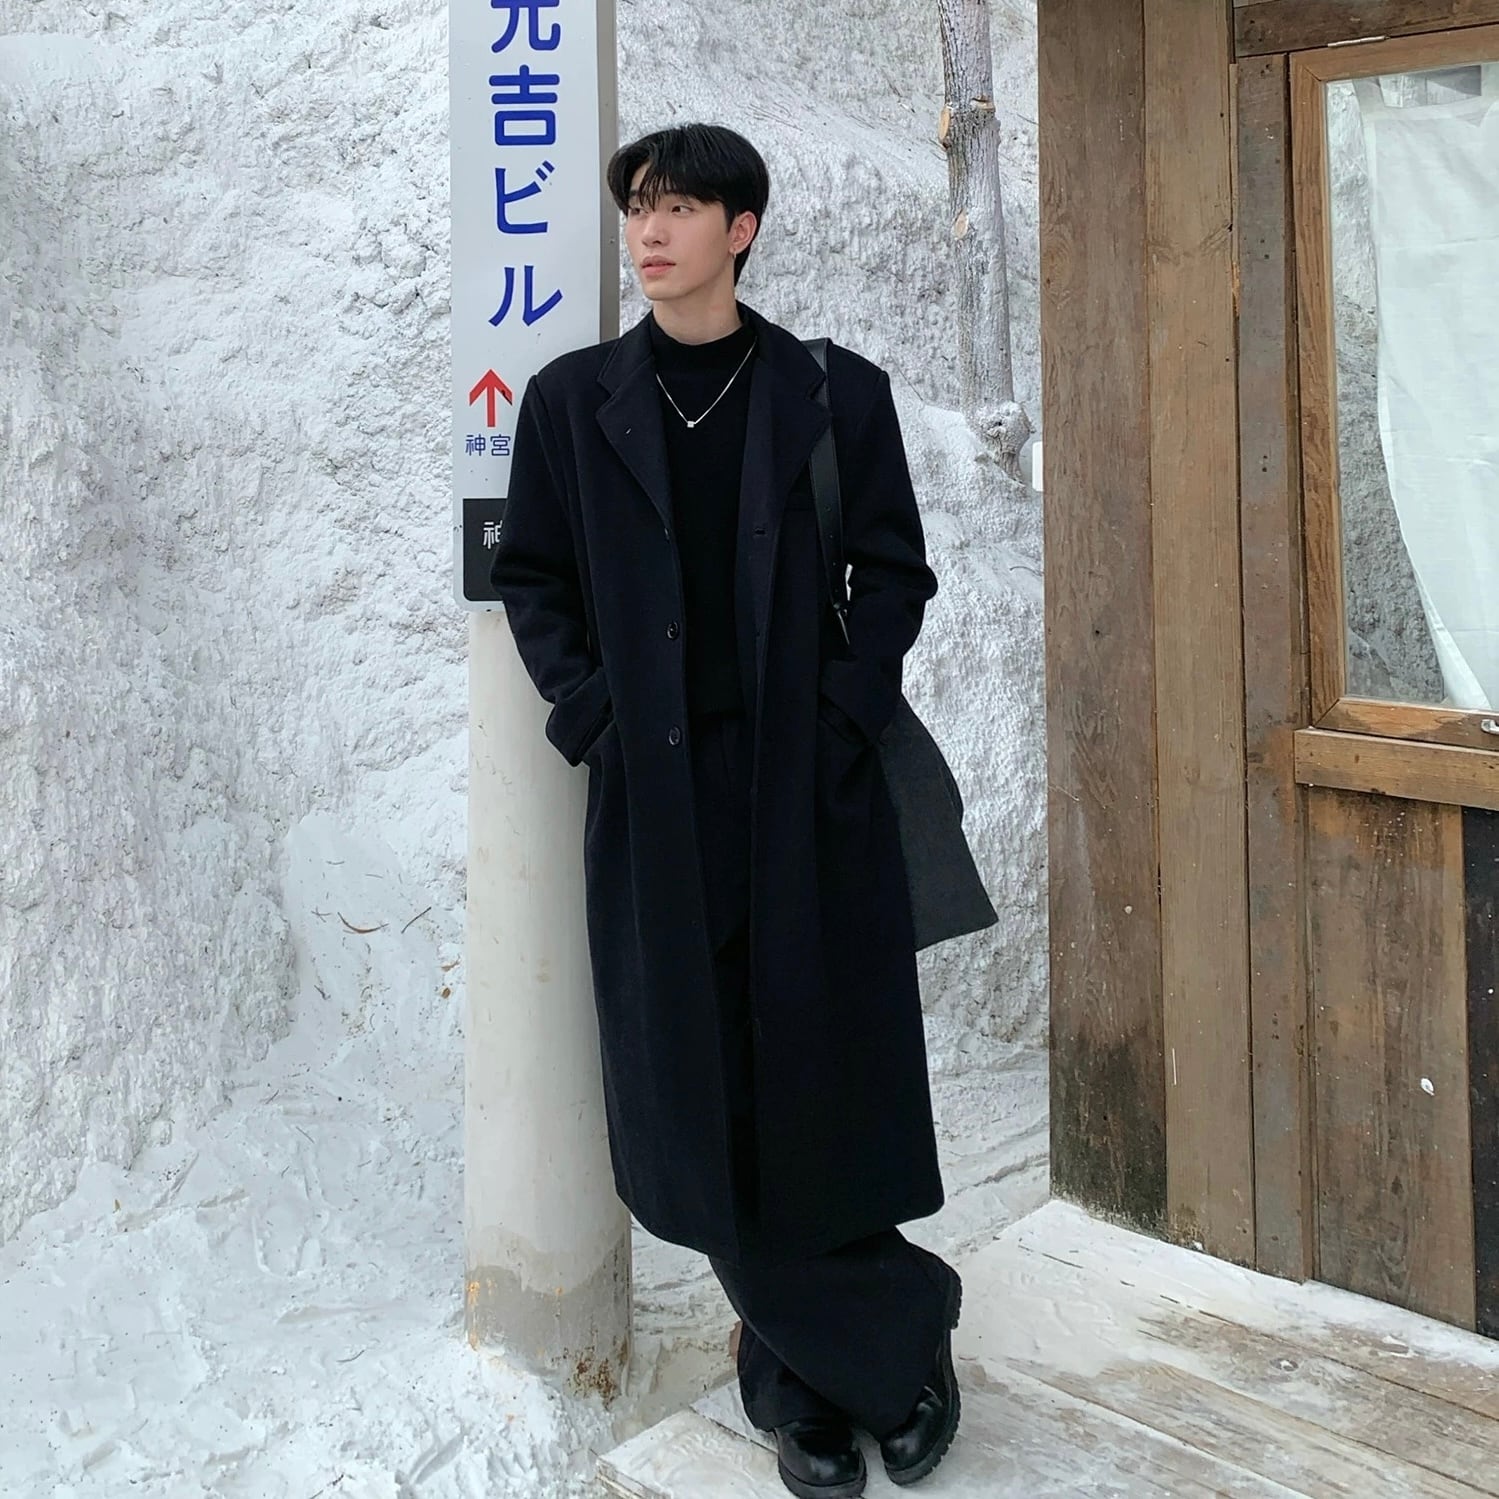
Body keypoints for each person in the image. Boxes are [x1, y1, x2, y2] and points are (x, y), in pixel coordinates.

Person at [489, 122, 961, 1498]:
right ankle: (889, 1342)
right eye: (638, 208)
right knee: (696, 1093)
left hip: (804, 799)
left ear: (741, 229)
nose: (650, 232)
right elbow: (534, 579)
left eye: (680, 208)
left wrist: (840, 715)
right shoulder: (572, 404)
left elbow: (893, 572)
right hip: (658, 801)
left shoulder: (831, 393)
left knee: (814, 1078)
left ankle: (794, 1381)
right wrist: (595, 719)